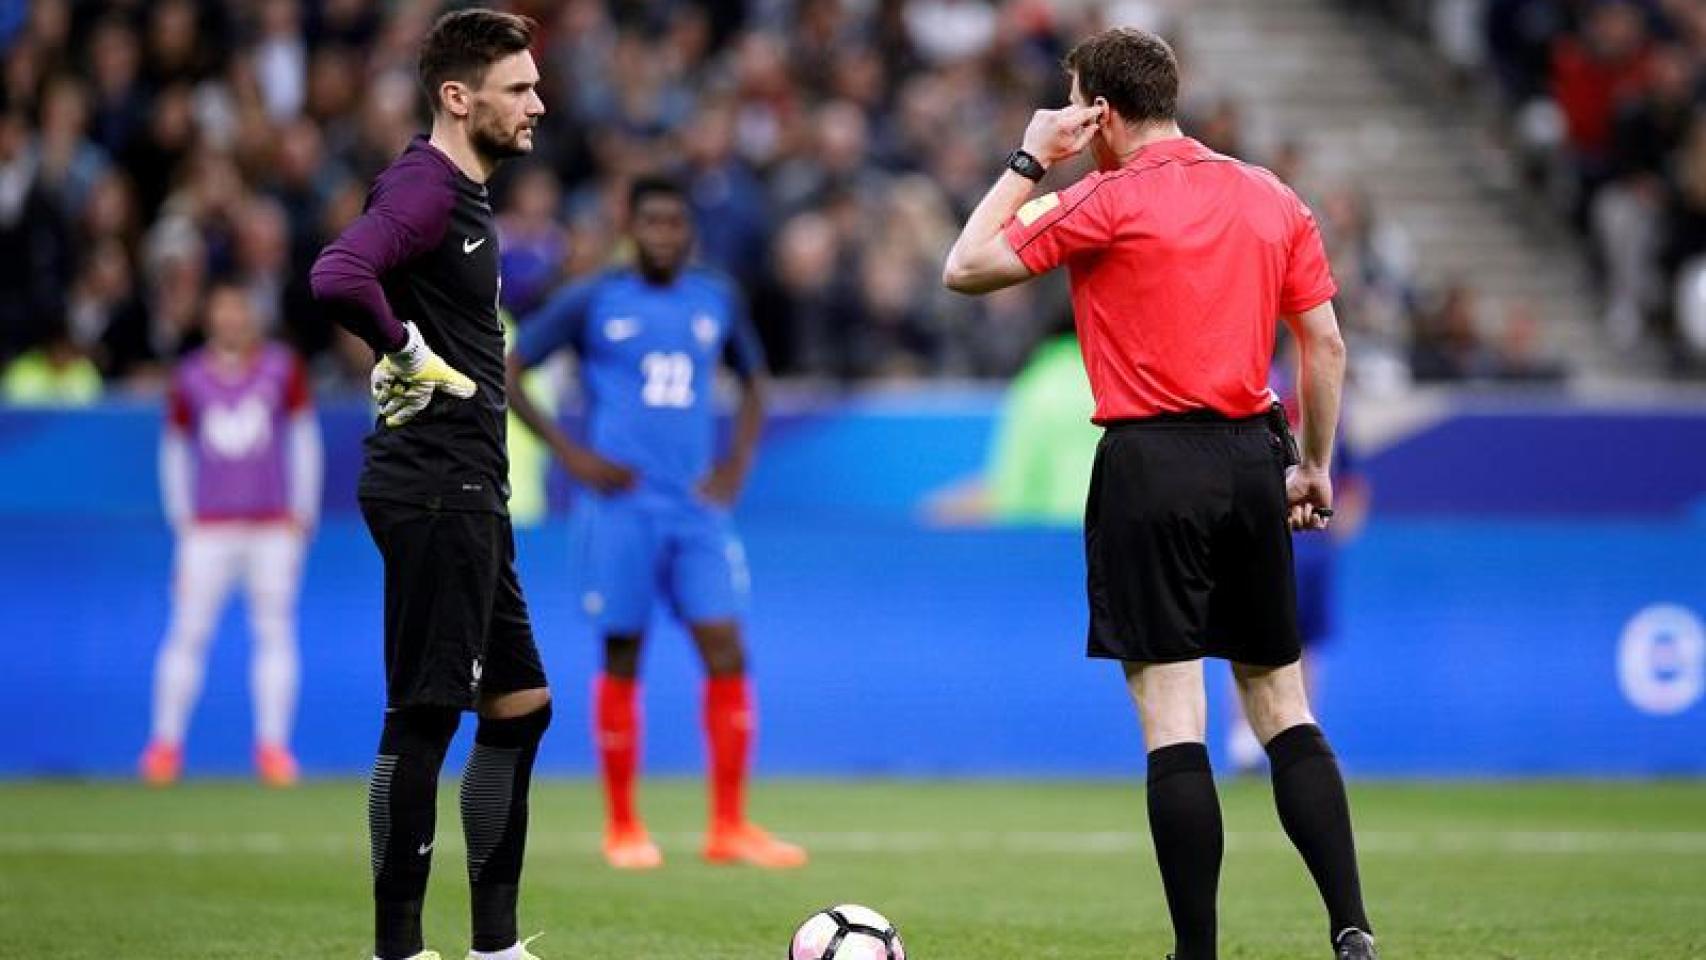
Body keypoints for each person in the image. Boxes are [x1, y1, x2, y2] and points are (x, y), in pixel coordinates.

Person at [942, 27, 1378, 960]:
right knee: (1282, 704)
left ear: (1097, 110)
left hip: (1150, 464)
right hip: (1252, 456)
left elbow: (965, 266)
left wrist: (1030, 157)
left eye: (1073, 100)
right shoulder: (1270, 196)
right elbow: (1327, 346)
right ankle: (1352, 926)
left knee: (1175, 720)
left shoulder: (1101, 198)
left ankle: (1197, 954)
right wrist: (1314, 464)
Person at [308, 10, 551, 960]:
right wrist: (406, 347)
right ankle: (399, 950)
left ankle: (494, 946)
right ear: (460, 97)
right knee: (424, 709)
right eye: (519, 88)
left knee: (521, 701)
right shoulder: (425, 186)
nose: (540, 103)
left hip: (469, 484)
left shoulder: (463, 195)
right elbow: (338, 272)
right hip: (433, 482)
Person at [507, 175, 805, 872]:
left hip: (696, 510)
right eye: (652, 222)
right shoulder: (594, 298)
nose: (664, 234)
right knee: (623, 655)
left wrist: (734, 466)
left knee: (727, 648)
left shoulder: (716, 298)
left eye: (676, 223)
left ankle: (728, 825)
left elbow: (755, 380)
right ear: (629, 226)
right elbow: (513, 370)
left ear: (689, 230)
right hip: (622, 510)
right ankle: (622, 825)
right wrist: (572, 456)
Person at [139, 282, 320, 787]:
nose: (231, 321)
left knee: (275, 631)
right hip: (209, 529)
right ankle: (164, 746)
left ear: (251, 317)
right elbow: (174, 447)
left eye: (239, 311)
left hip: (271, 526)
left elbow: (302, 438)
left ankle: (273, 748)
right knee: (188, 632)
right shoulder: (189, 376)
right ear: (209, 319)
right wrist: (183, 518)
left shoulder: (283, 369)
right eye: (222, 312)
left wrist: (301, 512)